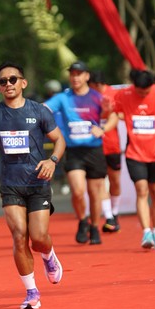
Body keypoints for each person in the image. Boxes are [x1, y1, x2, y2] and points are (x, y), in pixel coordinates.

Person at [0, 36, 65, 309]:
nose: (8, 84)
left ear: (23, 83)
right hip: (11, 184)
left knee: (38, 238)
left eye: (13, 79)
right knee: (19, 236)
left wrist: (53, 160)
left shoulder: (39, 111)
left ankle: (48, 255)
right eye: (3, 81)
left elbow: (59, 140)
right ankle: (31, 292)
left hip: (37, 182)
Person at [44, 61, 118, 245]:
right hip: (74, 151)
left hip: (94, 150)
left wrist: (103, 128)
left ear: (86, 76)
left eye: (79, 74)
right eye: (72, 74)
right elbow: (43, 108)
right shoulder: (63, 98)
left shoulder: (97, 96)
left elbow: (113, 115)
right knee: (77, 191)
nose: (75, 77)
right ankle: (83, 221)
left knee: (95, 193)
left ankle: (94, 226)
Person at [113, 69, 155, 250]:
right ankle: (146, 232)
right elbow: (114, 112)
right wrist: (125, 117)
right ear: (134, 86)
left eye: (146, 92)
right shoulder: (124, 94)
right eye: (140, 92)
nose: (143, 95)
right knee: (141, 190)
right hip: (134, 153)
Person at [88, 70, 122, 232]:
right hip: (95, 146)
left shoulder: (113, 94)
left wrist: (109, 113)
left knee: (115, 181)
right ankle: (109, 217)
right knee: (100, 181)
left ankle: (115, 213)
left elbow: (118, 116)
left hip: (112, 144)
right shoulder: (87, 96)